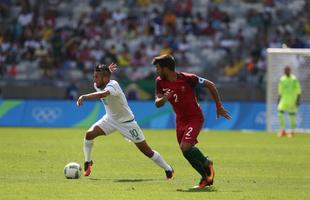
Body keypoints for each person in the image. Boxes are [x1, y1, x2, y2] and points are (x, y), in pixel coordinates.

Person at [76, 63, 174, 179]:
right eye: (94, 76)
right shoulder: (99, 83)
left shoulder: (114, 85)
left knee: (147, 151)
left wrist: (84, 97)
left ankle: (168, 169)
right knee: (89, 134)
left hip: (127, 124)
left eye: (96, 77)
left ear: (105, 78)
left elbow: (104, 93)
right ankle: (88, 162)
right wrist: (107, 71)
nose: (94, 79)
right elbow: (103, 82)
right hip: (110, 119)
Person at [152, 54, 231, 189]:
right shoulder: (160, 81)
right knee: (185, 151)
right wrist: (164, 99)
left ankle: (207, 163)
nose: (156, 71)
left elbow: (210, 85)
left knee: (186, 147)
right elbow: (157, 103)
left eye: (158, 68)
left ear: (166, 68)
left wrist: (218, 106)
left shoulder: (188, 78)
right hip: (180, 120)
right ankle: (206, 178)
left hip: (195, 117)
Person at [277, 66, 301, 138]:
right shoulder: (282, 79)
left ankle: (292, 131)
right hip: (284, 99)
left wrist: (298, 100)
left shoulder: (294, 79)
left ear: (290, 71)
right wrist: (279, 98)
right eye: (285, 70)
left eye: (287, 70)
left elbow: (298, 89)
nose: (286, 71)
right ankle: (283, 130)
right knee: (280, 113)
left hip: (292, 99)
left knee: (292, 116)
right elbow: (280, 89)